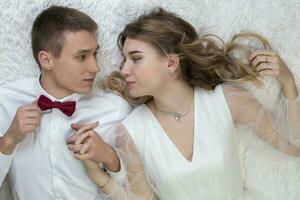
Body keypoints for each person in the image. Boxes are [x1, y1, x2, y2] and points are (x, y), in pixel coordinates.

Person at [68, 8, 300, 199]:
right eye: (124, 60)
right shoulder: (132, 131)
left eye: (136, 58)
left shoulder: (227, 100)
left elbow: (293, 145)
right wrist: (97, 175)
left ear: (170, 63)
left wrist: (288, 82)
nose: (124, 69)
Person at [0, 6, 131, 200]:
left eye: (95, 54)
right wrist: (8, 140)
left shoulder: (115, 109)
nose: (95, 67)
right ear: (46, 60)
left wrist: (110, 158)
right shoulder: (5, 100)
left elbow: (138, 190)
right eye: (81, 57)